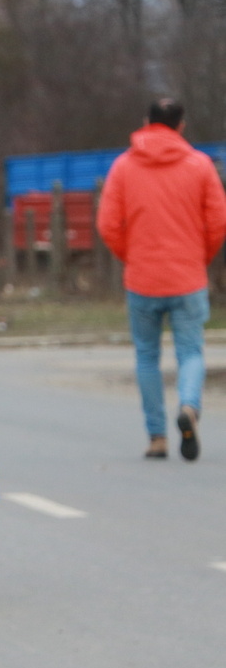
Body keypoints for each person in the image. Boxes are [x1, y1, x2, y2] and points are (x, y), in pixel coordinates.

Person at [97, 97, 226, 461]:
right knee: (190, 351)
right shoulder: (200, 166)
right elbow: (218, 221)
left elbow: (107, 224)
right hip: (187, 276)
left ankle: (156, 437)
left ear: (145, 122)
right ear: (181, 126)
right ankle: (188, 407)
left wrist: (131, 256)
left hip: (142, 279)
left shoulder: (123, 167)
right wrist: (199, 257)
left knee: (147, 355)